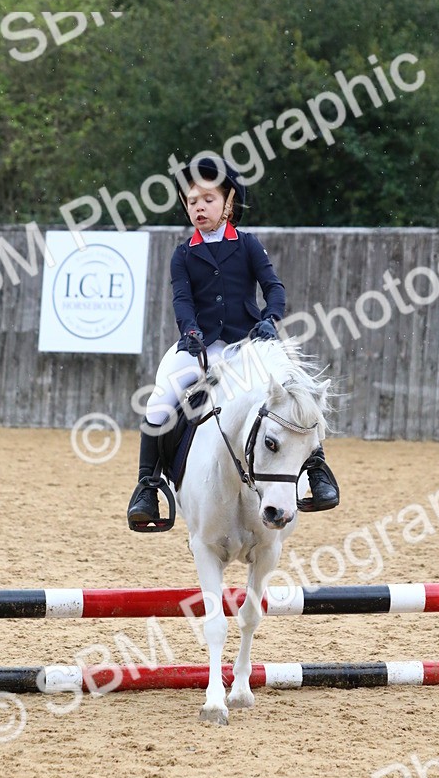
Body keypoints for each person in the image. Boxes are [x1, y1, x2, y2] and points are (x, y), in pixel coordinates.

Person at [126, 155, 339, 530]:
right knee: (159, 403)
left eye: (208, 199)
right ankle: (147, 487)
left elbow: (273, 288)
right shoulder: (183, 254)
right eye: (192, 201)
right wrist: (190, 331)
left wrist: (270, 319)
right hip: (203, 346)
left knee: (296, 392)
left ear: (228, 203)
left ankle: (317, 470)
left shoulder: (248, 244)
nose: (199, 207)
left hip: (250, 342)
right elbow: (182, 300)